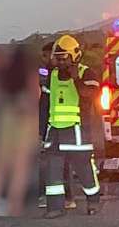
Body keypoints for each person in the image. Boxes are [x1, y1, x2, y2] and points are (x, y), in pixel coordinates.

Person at [43, 35, 100, 219]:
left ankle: (93, 201)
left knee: (83, 169)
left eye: (63, 58)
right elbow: (45, 104)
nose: (60, 62)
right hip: (55, 132)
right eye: (57, 58)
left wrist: (76, 79)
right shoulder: (51, 75)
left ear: (74, 56)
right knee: (52, 171)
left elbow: (88, 95)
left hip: (78, 131)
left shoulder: (87, 73)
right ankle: (55, 207)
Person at [0, 45, 39, 216]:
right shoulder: (29, 74)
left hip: (4, 120)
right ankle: (15, 205)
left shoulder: (2, 75)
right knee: (20, 167)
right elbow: (34, 98)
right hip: (24, 122)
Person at [38, 42, 77, 210]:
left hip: (67, 125)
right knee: (53, 163)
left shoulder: (67, 74)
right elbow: (44, 103)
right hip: (53, 125)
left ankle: (67, 197)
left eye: (49, 56)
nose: (47, 59)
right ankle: (56, 198)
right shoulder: (48, 73)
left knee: (63, 164)